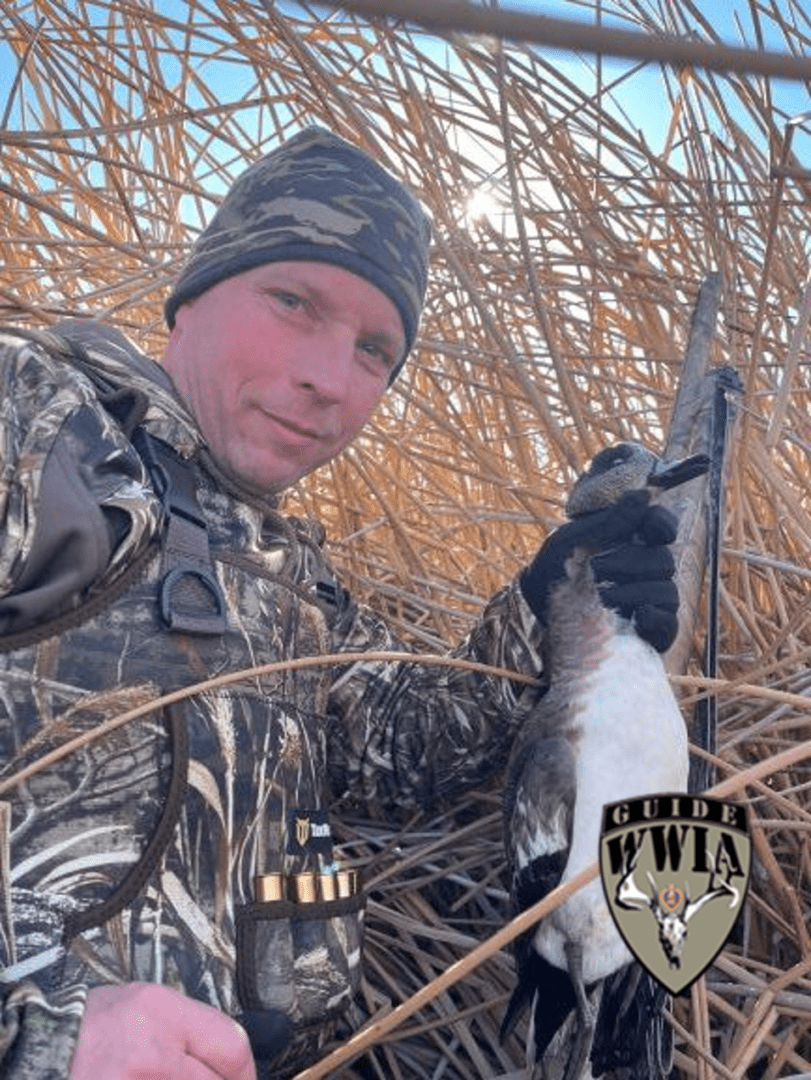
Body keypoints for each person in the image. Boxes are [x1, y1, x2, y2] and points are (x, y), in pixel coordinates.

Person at [0, 127, 679, 1080]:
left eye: (374, 349)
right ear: (191, 298)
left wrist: (556, 605)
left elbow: (400, 753)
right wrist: (37, 1031)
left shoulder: (286, 572)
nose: (328, 380)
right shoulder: (32, 423)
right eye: (292, 302)